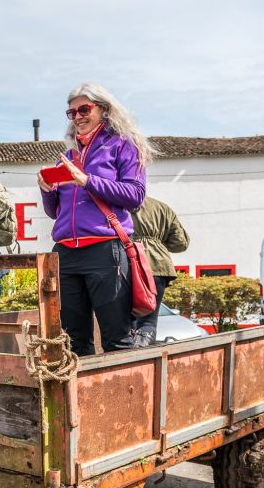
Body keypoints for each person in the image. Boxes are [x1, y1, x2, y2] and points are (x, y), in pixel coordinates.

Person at [37, 83, 154, 355]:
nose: (77, 116)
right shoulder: (68, 157)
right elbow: (56, 212)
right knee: (74, 342)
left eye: (84, 109)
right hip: (66, 253)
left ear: (104, 109)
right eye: (72, 112)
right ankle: (82, 398)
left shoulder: (123, 146)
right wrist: (47, 191)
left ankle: (124, 397)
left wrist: (88, 181)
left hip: (106, 249)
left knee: (117, 337)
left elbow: (136, 195)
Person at [130, 197, 190, 346]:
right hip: (159, 265)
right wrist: (157, 242)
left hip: (131, 261)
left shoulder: (120, 203)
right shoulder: (163, 208)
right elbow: (181, 243)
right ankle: (145, 355)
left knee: (126, 319)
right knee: (149, 320)